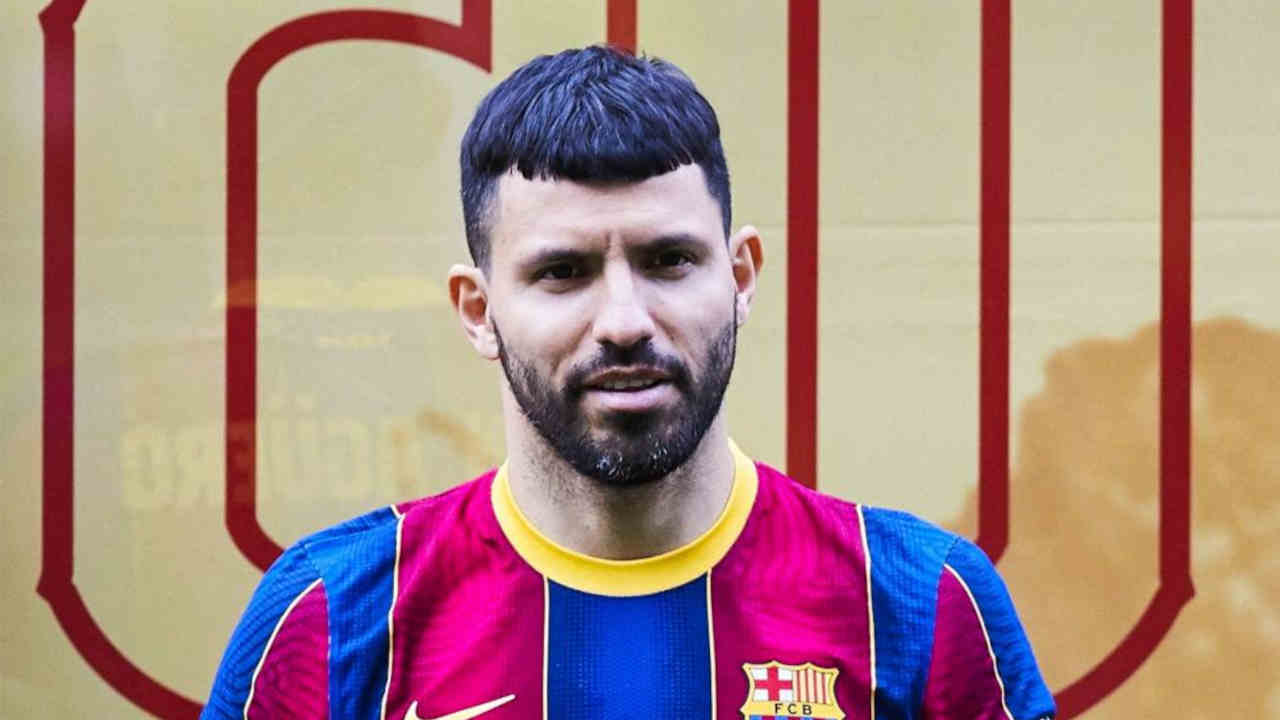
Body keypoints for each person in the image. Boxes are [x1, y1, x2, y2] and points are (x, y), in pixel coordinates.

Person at [201, 45, 1055, 720]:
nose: (624, 320)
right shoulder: (334, 617)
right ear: (478, 310)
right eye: (563, 272)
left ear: (741, 277)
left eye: (668, 260)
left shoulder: (918, 605)